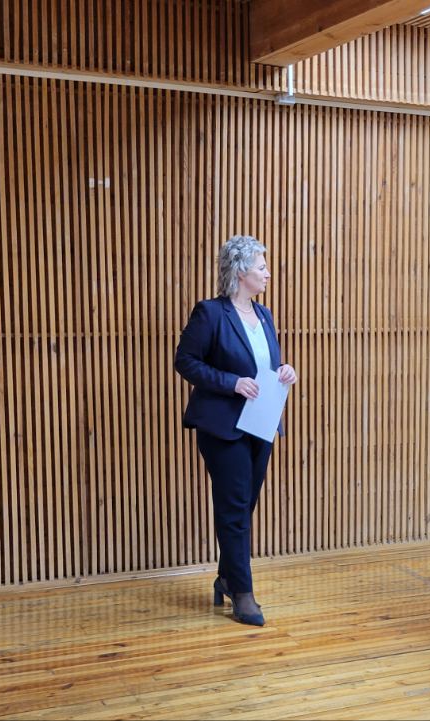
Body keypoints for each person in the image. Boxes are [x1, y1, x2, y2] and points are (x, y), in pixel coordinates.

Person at [173, 235, 299, 627]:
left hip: (260, 423)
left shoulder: (265, 314)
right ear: (242, 271)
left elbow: (266, 364)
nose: (268, 273)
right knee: (233, 509)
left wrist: (284, 371)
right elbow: (185, 361)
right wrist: (231, 383)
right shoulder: (210, 313)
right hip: (223, 426)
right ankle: (242, 594)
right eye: (262, 267)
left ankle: (227, 578)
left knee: (243, 507)